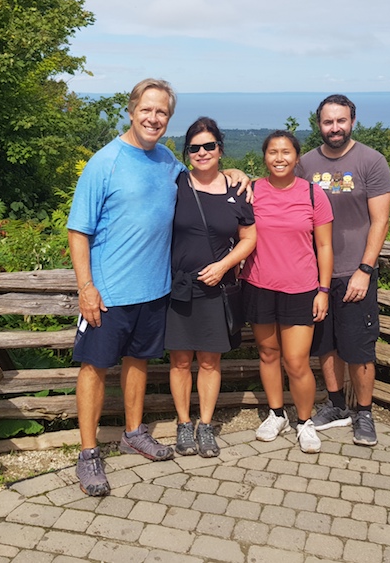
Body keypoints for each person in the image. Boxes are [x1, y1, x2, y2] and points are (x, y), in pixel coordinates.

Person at [67, 79, 250, 497]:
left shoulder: (168, 161)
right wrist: (87, 287)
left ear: (168, 119)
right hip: (109, 292)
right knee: (94, 367)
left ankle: (134, 433)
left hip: (155, 290)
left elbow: (206, 176)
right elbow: (78, 231)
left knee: (138, 361)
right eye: (147, 110)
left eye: (162, 112)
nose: (154, 118)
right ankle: (89, 453)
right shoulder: (105, 162)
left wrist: (238, 172)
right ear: (132, 111)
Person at [297, 94, 390, 447]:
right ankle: (337, 405)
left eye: (341, 121)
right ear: (318, 124)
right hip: (316, 274)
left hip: (356, 270)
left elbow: (380, 221)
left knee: (359, 347)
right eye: (327, 122)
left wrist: (365, 269)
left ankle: (364, 413)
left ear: (352, 121)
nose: (334, 128)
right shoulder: (304, 164)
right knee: (326, 345)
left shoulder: (371, 161)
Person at [167, 117, 256, 458]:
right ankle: (182, 424)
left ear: (220, 148)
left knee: (209, 361)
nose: (202, 152)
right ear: (187, 152)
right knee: (179, 360)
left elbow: (250, 237)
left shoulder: (236, 190)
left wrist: (223, 266)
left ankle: (205, 425)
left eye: (209, 146)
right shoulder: (176, 184)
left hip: (217, 288)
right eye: (194, 147)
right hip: (179, 287)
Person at [239, 130, 333, 453]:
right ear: (264, 157)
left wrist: (324, 289)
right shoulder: (251, 190)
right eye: (273, 152)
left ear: (297, 157)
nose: (279, 158)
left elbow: (324, 245)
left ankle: (304, 421)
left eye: (286, 152)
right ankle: (276, 413)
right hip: (258, 285)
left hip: (301, 288)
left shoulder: (312, 194)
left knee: (296, 361)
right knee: (268, 354)